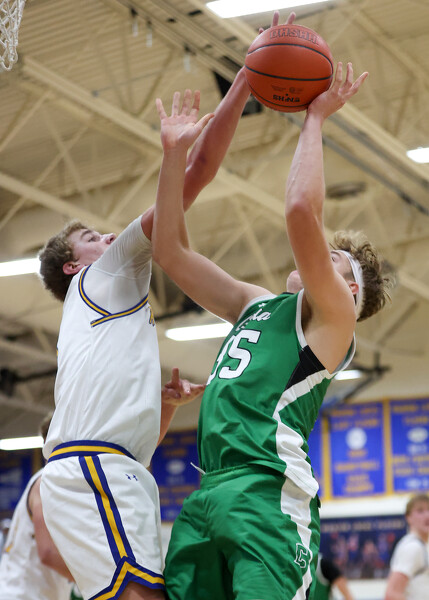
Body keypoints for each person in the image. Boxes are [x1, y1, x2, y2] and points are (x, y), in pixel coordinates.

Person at [152, 31, 394, 600]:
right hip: (208, 493)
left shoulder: (334, 319)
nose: (323, 257)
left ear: (350, 292)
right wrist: (176, 154)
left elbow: (300, 210)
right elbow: (169, 251)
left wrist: (316, 119)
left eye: (337, 262)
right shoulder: (255, 303)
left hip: (269, 493)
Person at [37, 51, 258, 600]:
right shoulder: (104, 276)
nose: (109, 237)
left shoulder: (102, 319)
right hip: (94, 470)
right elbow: (197, 174)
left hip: (110, 469)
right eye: (91, 238)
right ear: (73, 267)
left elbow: (132, 442)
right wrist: (242, 86)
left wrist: (162, 408)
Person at [0, 413, 73, 600]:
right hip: (23, 594)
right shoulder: (45, 483)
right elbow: (48, 553)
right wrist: (93, 580)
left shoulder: (57, 483)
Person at [384, 493, 429, 600]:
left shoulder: (420, 545)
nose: (427, 515)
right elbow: (391, 594)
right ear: (408, 518)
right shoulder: (413, 547)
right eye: (420, 511)